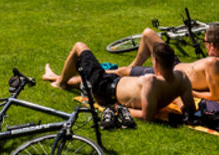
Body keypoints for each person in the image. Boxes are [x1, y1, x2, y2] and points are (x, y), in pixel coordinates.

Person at [41, 38, 195, 123]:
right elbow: (190, 108)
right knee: (87, 78)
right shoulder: (182, 78)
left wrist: (117, 108)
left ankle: (60, 83)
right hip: (112, 81)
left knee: (79, 46)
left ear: (155, 62)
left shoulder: (151, 82)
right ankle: (55, 77)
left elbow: (147, 117)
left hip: (105, 90)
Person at [115, 25, 219, 101]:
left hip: (170, 72)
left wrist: (191, 92)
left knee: (122, 72)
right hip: (175, 64)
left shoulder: (214, 64)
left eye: (205, 42)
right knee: (148, 34)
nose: (205, 45)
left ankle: (100, 74)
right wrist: (215, 83)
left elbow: (217, 96)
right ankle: (134, 66)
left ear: (212, 46)